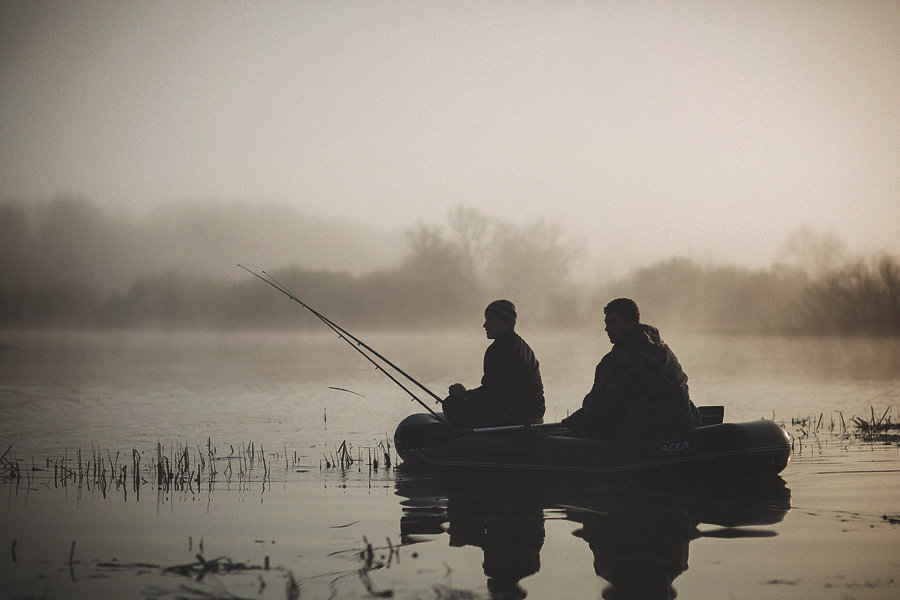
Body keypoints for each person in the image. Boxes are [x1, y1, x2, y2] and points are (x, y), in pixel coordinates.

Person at [562, 298, 700, 438]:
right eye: (606, 323)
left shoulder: (616, 361)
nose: (607, 328)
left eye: (614, 323)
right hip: (683, 423)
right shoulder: (663, 350)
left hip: (647, 433)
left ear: (631, 324)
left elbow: (598, 407)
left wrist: (569, 424)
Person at [442, 299, 545, 428]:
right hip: (533, 416)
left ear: (504, 322)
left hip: (517, 418)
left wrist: (464, 395)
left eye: (490, 319)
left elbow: (492, 394)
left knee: (450, 403)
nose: (484, 325)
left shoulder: (500, 349)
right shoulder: (521, 345)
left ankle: (471, 442)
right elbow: (499, 390)